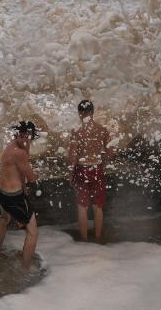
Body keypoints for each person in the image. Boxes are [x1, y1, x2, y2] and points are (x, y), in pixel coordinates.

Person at [0, 120, 40, 268]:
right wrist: (35, 176)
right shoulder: (18, 153)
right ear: (16, 134)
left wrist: (27, 144)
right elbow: (31, 177)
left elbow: (21, 169)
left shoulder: (12, 145)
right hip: (14, 197)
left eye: (27, 137)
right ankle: (26, 269)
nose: (24, 140)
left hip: (2, 191)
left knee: (4, 219)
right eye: (22, 136)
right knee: (33, 232)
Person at [67, 100, 114, 242]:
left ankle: (85, 240)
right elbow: (111, 151)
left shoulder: (77, 131)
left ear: (80, 113)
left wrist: (70, 173)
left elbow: (73, 155)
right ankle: (98, 238)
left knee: (82, 207)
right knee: (97, 207)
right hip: (97, 168)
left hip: (82, 169)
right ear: (92, 112)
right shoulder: (101, 130)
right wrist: (103, 164)